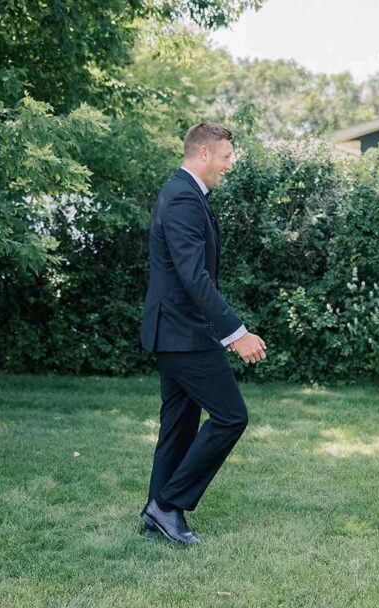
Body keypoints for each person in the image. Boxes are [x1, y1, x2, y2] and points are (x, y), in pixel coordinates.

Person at [138, 122, 266, 545]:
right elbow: (194, 277)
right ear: (205, 154)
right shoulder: (181, 198)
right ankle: (167, 505)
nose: (230, 165)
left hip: (177, 332)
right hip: (183, 333)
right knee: (231, 417)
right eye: (227, 156)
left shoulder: (187, 193)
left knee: (179, 423)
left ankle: (156, 509)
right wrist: (235, 333)